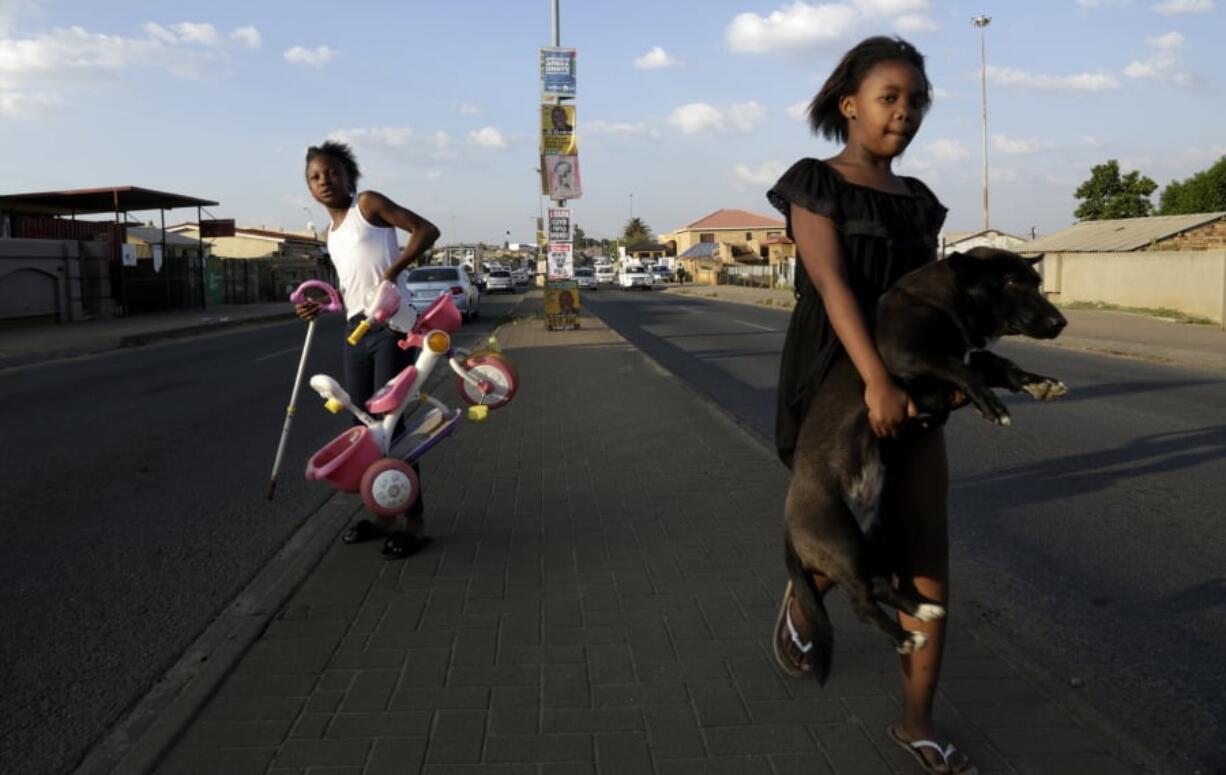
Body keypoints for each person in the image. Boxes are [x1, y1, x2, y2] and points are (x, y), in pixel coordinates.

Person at [766, 37, 974, 775]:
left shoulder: (919, 202)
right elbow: (834, 288)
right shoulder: (815, 184)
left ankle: (916, 720)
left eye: (916, 100)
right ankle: (805, 592)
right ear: (850, 104)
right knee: (845, 534)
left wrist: (951, 370)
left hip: (908, 381)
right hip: (832, 381)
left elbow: (926, 301)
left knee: (925, 548)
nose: (906, 112)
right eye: (891, 97)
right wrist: (875, 382)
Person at [296, 140, 440, 559]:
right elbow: (349, 293)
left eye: (332, 173)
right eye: (315, 177)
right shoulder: (332, 233)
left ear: (348, 177)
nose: (324, 182)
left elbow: (426, 231)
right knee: (365, 429)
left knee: (390, 428)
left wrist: (392, 274)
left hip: (392, 325)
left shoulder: (368, 205)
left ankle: (414, 522)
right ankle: (384, 515)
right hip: (355, 329)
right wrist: (320, 306)